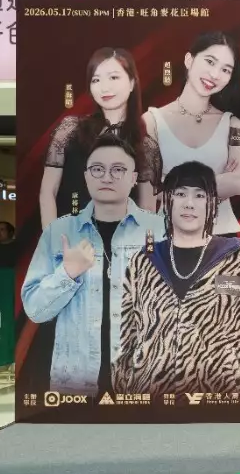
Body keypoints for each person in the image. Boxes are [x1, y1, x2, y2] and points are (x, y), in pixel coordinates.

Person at [113, 161, 240, 396]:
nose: (189, 203)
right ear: (167, 201)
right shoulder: (143, 262)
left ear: (213, 204)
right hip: (153, 404)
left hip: (226, 402)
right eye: (180, 194)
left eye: (199, 195)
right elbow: (124, 341)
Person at [21, 134, 164, 396]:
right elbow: (34, 310)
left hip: (145, 381)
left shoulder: (160, 231)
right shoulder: (59, 231)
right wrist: (67, 274)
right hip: (75, 384)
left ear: (134, 178)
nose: (107, 177)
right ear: (86, 177)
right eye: (97, 169)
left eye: (118, 170)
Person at [40, 47, 160, 228]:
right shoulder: (70, 130)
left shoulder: (145, 145)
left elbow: (147, 210)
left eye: (113, 77)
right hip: (70, 239)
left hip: (122, 241)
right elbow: (48, 192)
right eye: (96, 80)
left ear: (132, 83)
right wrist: (52, 239)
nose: (105, 87)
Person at [143, 31, 240, 235]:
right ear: (189, 60)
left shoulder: (232, 125)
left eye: (226, 70)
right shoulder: (152, 122)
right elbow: (147, 191)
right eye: (210, 62)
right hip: (167, 237)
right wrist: (216, 181)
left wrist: (170, 184)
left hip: (221, 237)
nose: (215, 75)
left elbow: (239, 183)